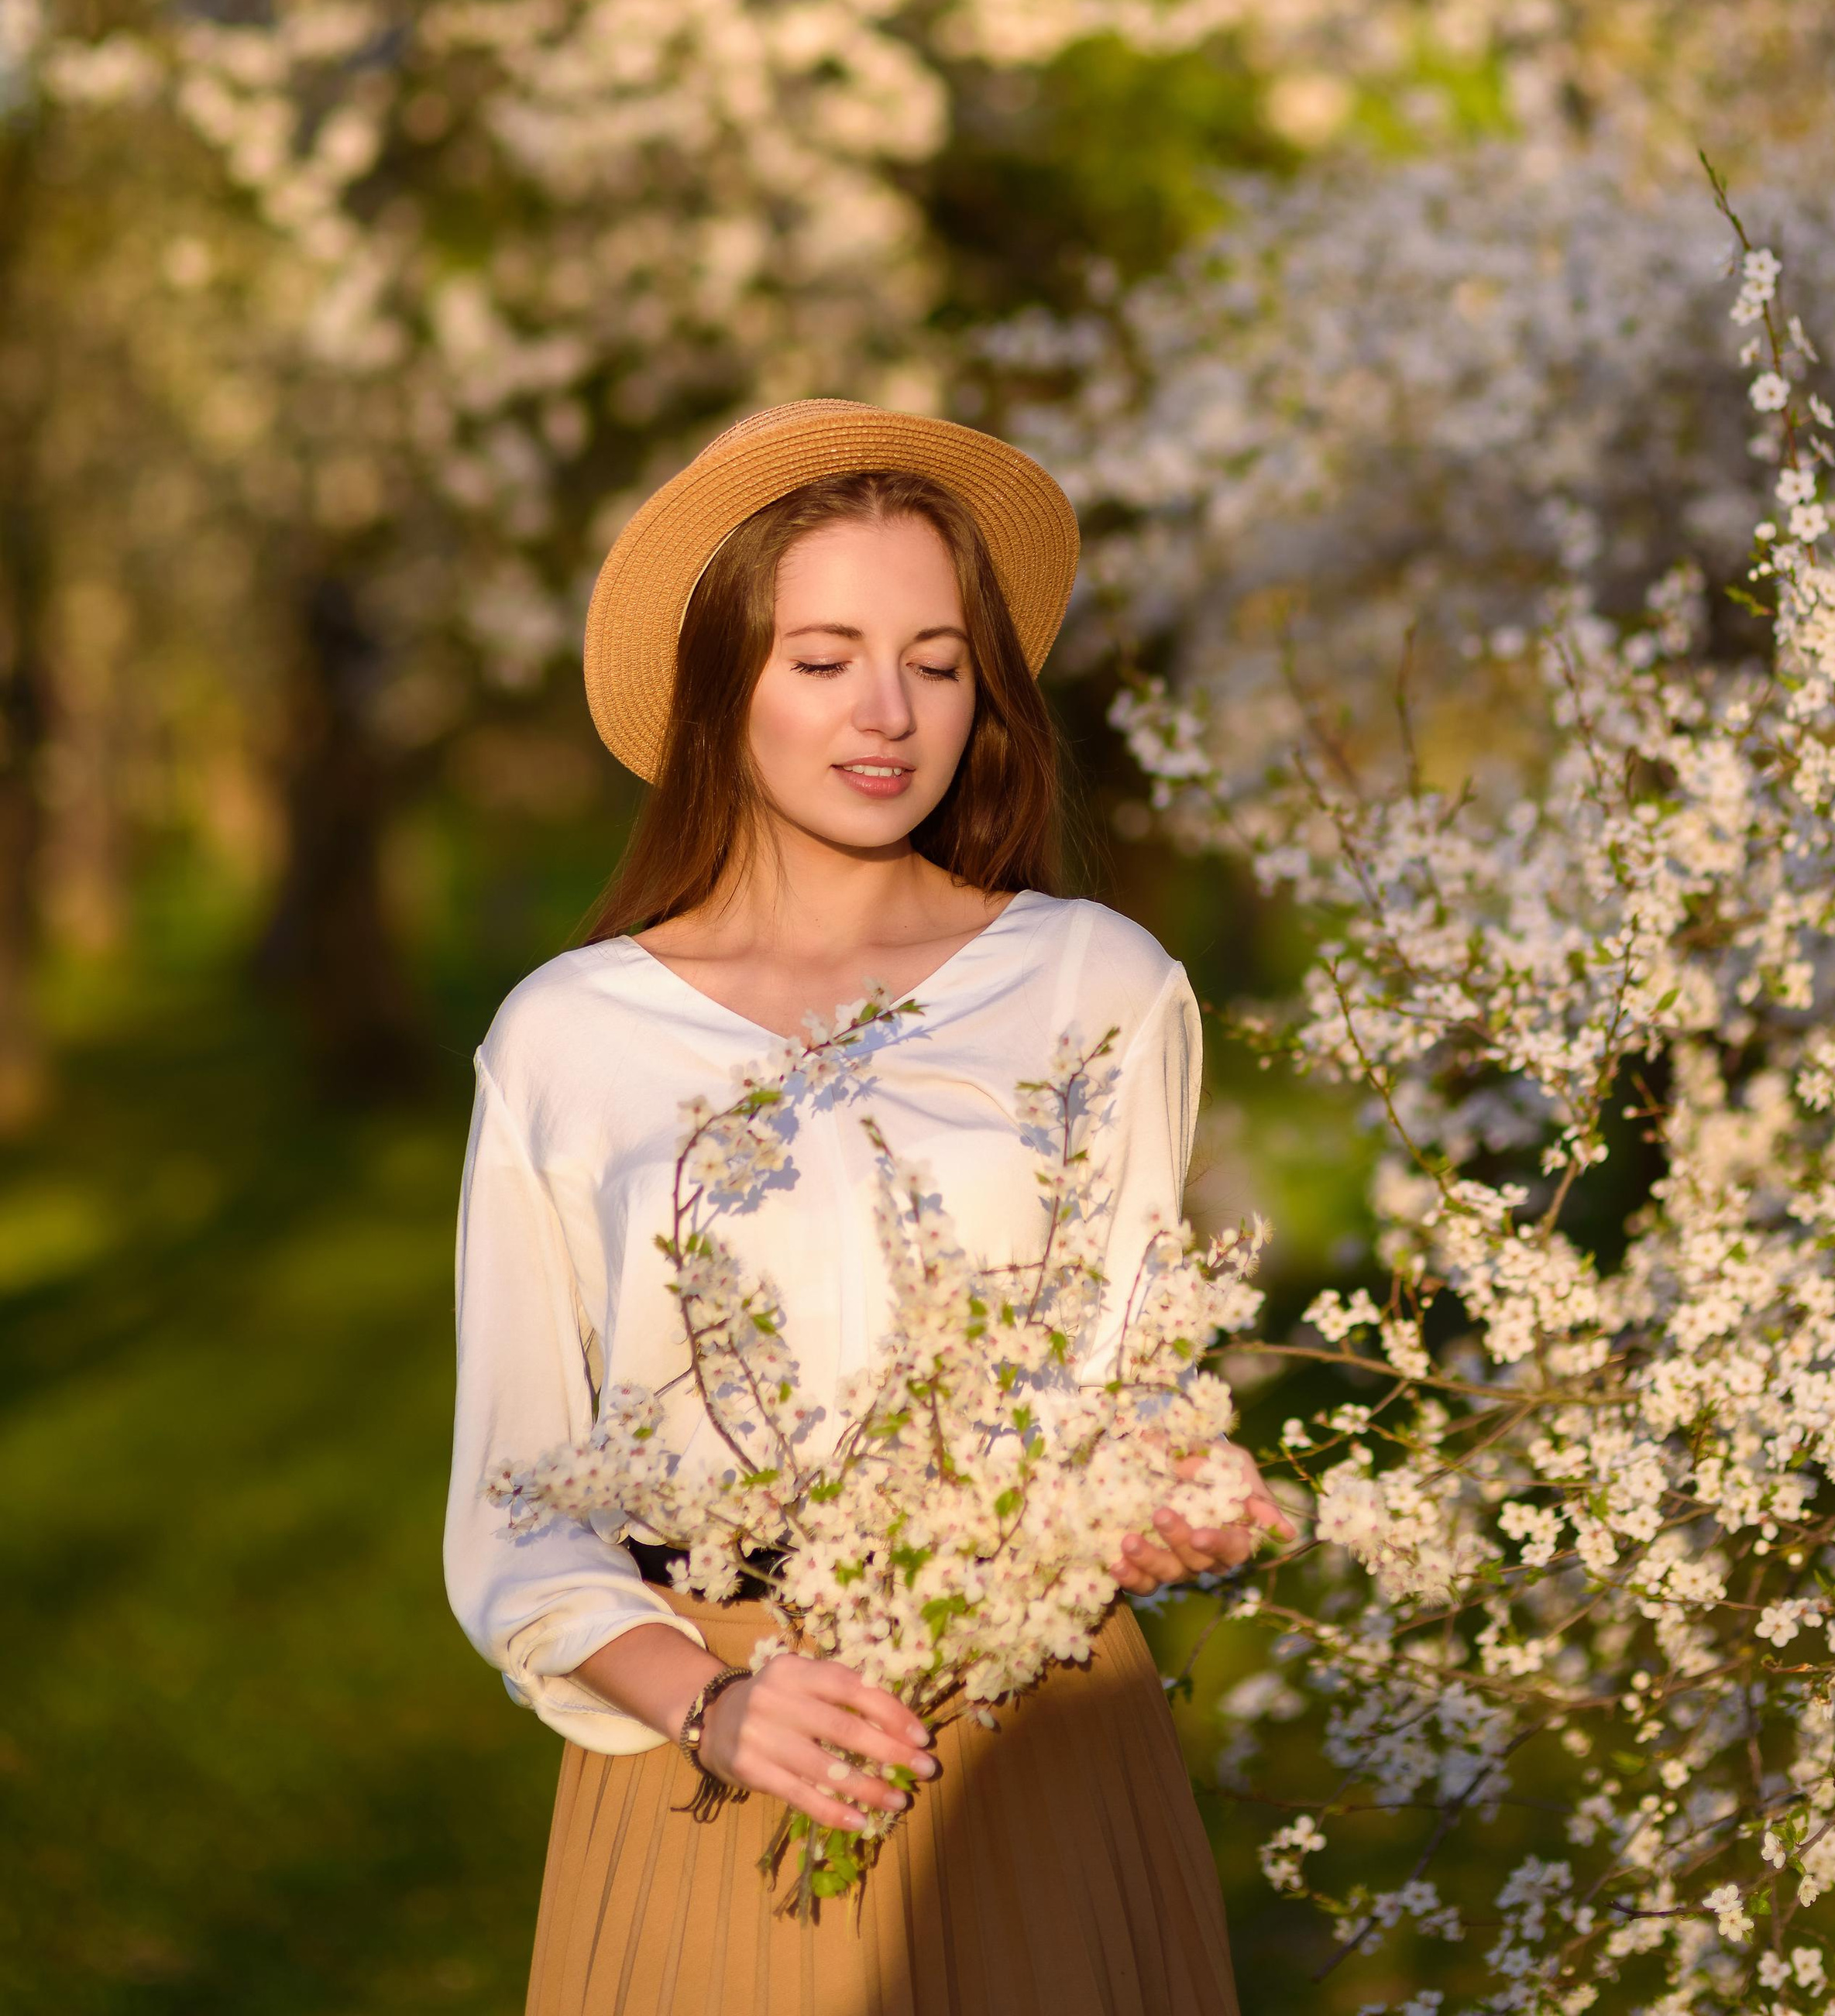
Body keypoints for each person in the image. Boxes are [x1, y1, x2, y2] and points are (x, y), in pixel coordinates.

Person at [445, 399, 1279, 2013]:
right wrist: (709, 1704)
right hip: (706, 1771)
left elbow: (1126, 1377)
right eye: (823, 658)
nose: (886, 712)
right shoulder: (568, 1037)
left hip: (1034, 1744)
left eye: (936, 661)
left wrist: (1168, 1491)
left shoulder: (1093, 985)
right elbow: (517, 1505)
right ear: (721, 685)